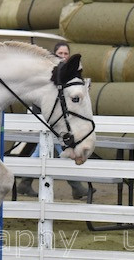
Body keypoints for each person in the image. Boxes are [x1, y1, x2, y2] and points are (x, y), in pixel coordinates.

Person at [16, 41, 91, 200]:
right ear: (54, 54)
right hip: (45, 114)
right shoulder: (49, 72)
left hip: (58, 118)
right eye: (60, 53)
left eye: (66, 54)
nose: (63, 56)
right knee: (59, 147)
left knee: (43, 150)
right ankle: (76, 186)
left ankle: (25, 181)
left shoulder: (71, 73)